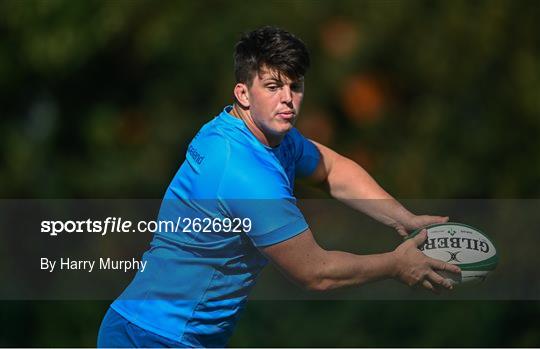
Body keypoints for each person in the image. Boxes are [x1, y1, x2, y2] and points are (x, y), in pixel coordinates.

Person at [97, 26, 461, 348]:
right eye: (273, 86)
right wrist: (395, 266)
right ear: (243, 93)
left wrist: (402, 217)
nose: (287, 98)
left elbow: (331, 169)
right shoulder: (245, 175)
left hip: (157, 331)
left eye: (295, 86)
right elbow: (315, 272)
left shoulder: (259, 134)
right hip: (151, 338)